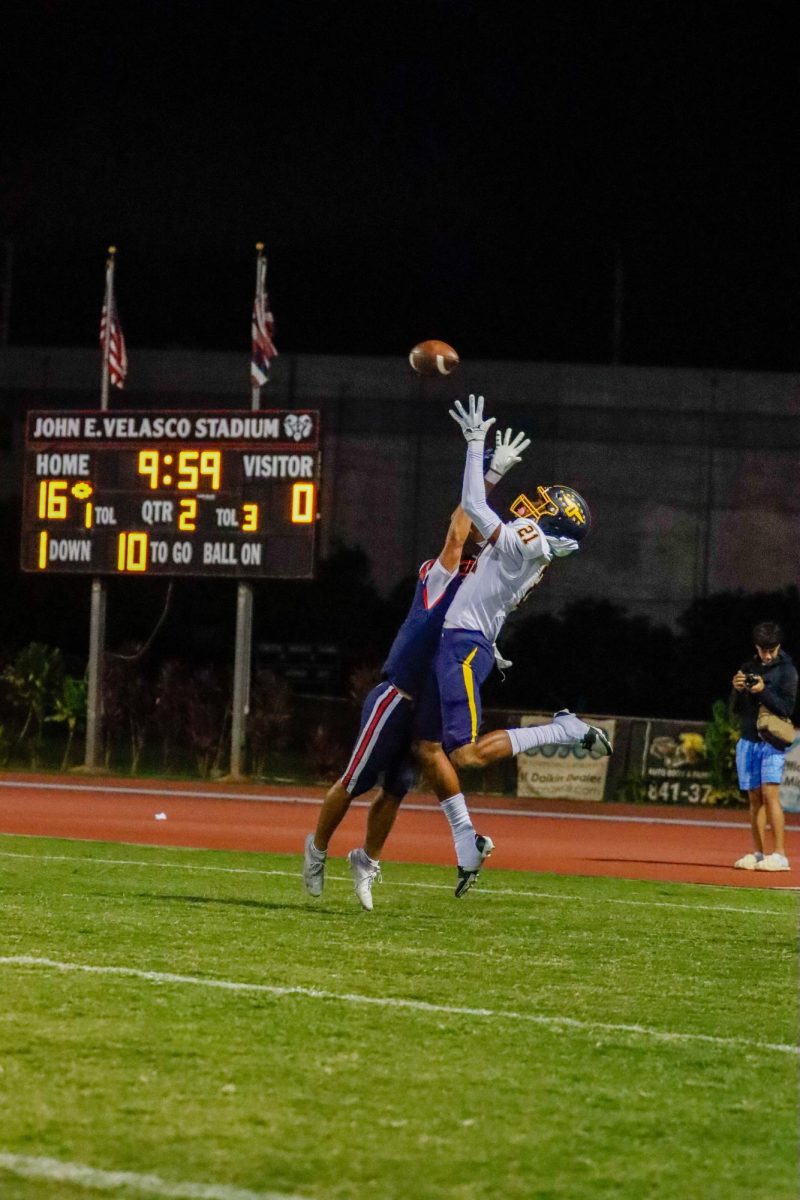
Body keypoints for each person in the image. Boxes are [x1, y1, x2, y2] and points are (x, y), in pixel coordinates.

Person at [302, 428, 531, 910]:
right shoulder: (443, 572)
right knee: (355, 780)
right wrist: (489, 474)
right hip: (399, 693)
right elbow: (457, 531)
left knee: (398, 788)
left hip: (427, 700)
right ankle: (317, 848)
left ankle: (367, 860)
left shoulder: (484, 589)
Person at [413, 394, 612, 895]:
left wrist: (478, 448)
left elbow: (473, 510)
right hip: (468, 641)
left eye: (550, 507)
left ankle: (561, 730)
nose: (539, 505)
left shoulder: (530, 540)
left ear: (554, 524)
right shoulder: (532, 551)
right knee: (429, 747)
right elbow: (467, 538)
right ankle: (465, 840)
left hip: (462, 646)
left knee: (467, 756)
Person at [731, 620, 797, 872]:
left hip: (772, 740)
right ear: (756, 647)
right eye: (763, 650)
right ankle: (759, 853)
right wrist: (737, 690)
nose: (767, 655)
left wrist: (762, 691)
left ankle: (780, 855)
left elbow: (786, 709)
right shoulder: (748, 667)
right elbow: (735, 710)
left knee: (771, 796)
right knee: (754, 798)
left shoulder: (787, 670)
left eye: (772, 650)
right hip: (748, 739)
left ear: (779, 646)